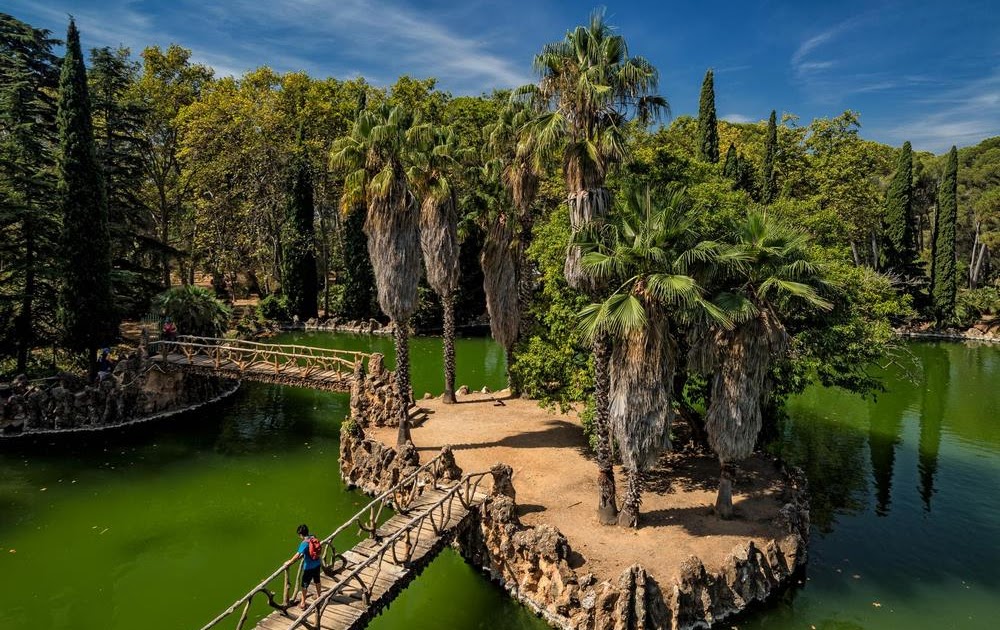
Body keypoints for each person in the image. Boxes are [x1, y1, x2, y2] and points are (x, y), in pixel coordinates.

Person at [285, 524, 322, 610]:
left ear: (300, 534)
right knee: (317, 580)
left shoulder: (304, 543)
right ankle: (319, 596)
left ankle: (302, 603)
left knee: (304, 585)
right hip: (317, 563)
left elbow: (297, 555)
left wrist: (289, 562)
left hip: (308, 567)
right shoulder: (313, 537)